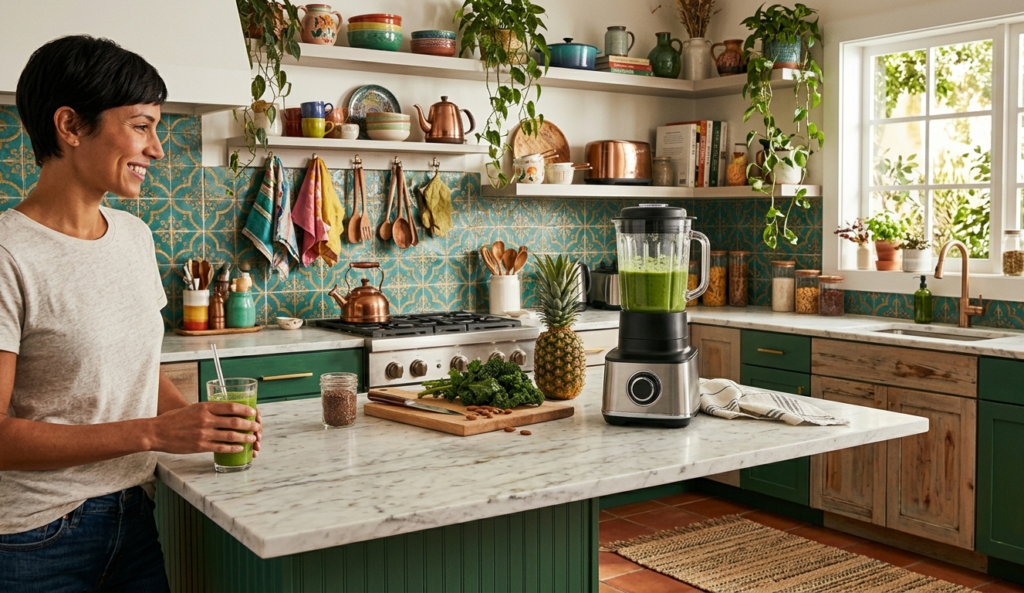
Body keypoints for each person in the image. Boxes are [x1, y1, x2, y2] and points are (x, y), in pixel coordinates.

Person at [0, 35, 262, 592]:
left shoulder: (134, 236)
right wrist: (154, 433)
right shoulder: (8, 254)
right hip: (34, 539)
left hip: (134, 516)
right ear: (70, 126)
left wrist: (203, 424)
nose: (157, 149)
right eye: (142, 126)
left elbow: (136, 371)